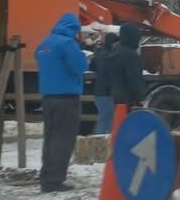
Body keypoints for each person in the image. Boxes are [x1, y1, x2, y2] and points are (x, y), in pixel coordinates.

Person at [35, 12, 89, 194]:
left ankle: (46, 176)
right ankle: (54, 180)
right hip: (66, 98)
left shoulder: (45, 43)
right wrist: (83, 54)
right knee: (63, 139)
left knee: (50, 138)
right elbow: (80, 66)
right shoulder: (67, 44)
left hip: (48, 97)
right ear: (74, 29)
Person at [107, 23, 145, 109]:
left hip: (115, 93)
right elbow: (134, 78)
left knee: (117, 120)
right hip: (127, 96)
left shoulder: (115, 51)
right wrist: (141, 97)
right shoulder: (131, 55)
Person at [89, 31, 119, 135]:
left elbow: (92, 67)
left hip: (99, 92)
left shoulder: (99, 54)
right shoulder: (110, 56)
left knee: (104, 119)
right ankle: (100, 142)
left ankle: (100, 140)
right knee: (106, 120)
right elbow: (110, 75)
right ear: (112, 43)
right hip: (107, 93)